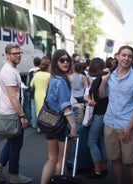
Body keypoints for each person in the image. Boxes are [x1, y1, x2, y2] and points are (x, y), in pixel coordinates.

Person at [99, 45, 133, 184]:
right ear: (117, 56)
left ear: (132, 59)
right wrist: (103, 81)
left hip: (126, 126)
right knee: (115, 159)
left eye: (129, 56)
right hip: (109, 124)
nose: (126, 58)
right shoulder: (110, 76)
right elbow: (102, 95)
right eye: (123, 55)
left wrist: (129, 127)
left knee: (129, 162)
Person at [0, 44, 32, 184]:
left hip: (9, 112)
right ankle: (14, 176)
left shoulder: (11, 70)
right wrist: (22, 116)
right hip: (12, 114)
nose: (18, 55)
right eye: (14, 53)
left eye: (19, 53)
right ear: (7, 55)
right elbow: (12, 97)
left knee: (11, 141)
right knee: (16, 145)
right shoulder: (9, 72)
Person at [40, 49, 77, 184]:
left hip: (50, 122)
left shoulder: (52, 78)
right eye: (62, 60)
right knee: (60, 160)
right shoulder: (61, 81)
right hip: (63, 124)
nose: (66, 62)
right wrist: (73, 126)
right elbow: (65, 107)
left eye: (68, 60)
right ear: (56, 62)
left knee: (52, 159)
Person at [85, 58, 108, 179]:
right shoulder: (107, 78)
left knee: (92, 142)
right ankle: (103, 168)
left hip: (98, 114)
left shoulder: (97, 81)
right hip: (106, 114)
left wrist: (88, 100)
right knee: (101, 141)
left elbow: (95, 102)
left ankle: (97, 171)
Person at [29, 56, 51, 132]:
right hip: (46, 94)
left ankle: (39, 127)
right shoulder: (49, 75)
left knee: (38, 110)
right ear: (48, 67)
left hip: (37, 94)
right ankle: (47, 127)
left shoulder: (36, 75)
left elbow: (31, 85)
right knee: (47, 111)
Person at [25, 57, 41, 129]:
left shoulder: (30, 71)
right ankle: (40, 124)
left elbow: (28, 82)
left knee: (33, 107)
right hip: (40, 91)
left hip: (32, 92)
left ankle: (33, 123)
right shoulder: (41, 71)